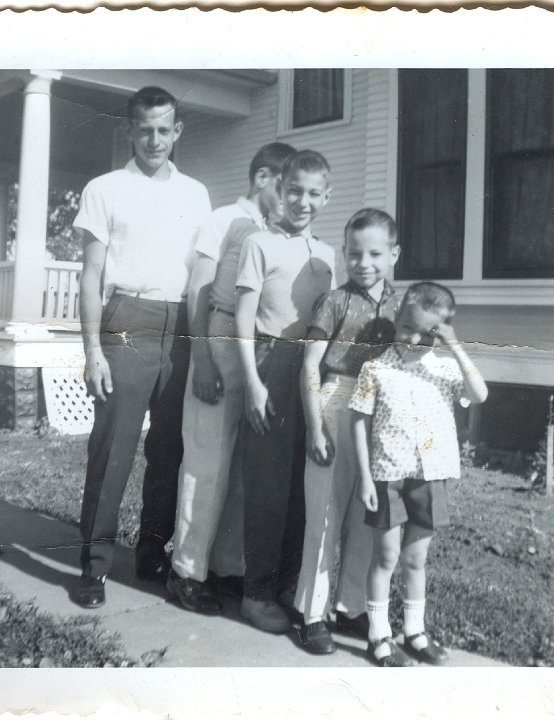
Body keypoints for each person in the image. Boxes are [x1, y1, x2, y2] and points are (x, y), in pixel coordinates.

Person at [72, 86, 211, 609]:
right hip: (126, 318)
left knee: (170, 449)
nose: (154, 140)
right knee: (113, 451)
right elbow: (89, 277)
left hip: (180, 323)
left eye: (164, 129)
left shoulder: (196, 194)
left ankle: (151, 555)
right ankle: (95, 567)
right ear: (130, 130)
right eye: (145, 129)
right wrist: (92, 351)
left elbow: (200, 275)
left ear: (178, 132)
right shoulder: (105, 188)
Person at [168, 142, 296, 615]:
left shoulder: (272, 231)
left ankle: (224, 569)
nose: (292, 199)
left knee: (242, 467)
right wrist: (201, 357)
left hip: (257, 345)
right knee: (207, 460)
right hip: (219, 338)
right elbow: (198, 288)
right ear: (264, 178)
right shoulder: (224, 218)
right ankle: (185, 571)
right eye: (286, 186)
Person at [349, 282, 488, 666]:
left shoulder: (443, 370)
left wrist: (454, 346)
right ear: (396, 318)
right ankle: (378, 636)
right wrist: (364, 478)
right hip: (388, 475)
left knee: (415, 560)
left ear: (441, 333)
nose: (412, 338)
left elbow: (480, 394)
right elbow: (358, 423)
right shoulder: (375, 369)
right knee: (386, 556)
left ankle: (414, 632)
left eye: (425, 333)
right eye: (406, 327)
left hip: (429, 475)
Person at [235, 150, 336, 634]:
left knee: (303, 486)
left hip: (313, 368)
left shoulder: (328, 256)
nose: (303, 201)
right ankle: (255, 593)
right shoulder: (259, 243)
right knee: (268, 486)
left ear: (326, 197)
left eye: (314, 193)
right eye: (295, 190)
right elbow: (241, 318)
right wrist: (253, 384)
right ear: (280, 188)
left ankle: (286, 587)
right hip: (271, 363)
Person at [295, 208, 400, 654]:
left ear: (394, 253)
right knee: (324, 513)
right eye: (355, 253)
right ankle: (312, 613)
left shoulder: (402, 305)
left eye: (375, 253)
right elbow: (309, 365)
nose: (364, 262)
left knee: (365, 513)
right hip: (337, 398)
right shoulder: (334, 301)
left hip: (384, 409)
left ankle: (352, 607)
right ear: (345, 253)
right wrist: (316, 425)